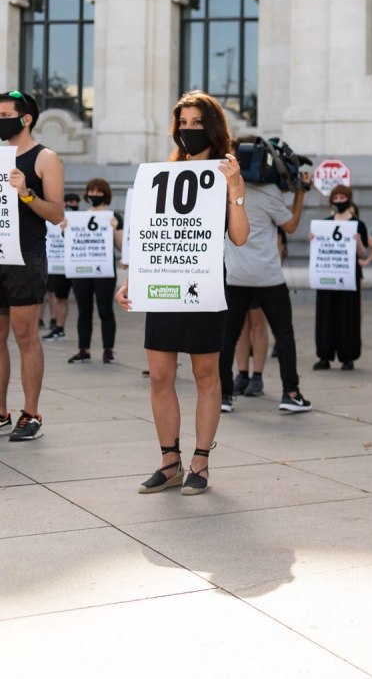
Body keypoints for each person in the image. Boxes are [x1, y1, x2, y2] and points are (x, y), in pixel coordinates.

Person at [116, 91, 249, 493]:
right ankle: (169, 461)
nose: (189, 130)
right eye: (183, 123)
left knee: (206, 374)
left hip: (204, 285)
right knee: (160, 375)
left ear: (213, 127)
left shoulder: (225, 171)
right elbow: (150, 234)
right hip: (164, 284)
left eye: (197, 123)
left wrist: (235, 187)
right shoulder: (165, 171)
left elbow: (240, 236)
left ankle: (201, 462)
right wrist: (133, 279)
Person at [217, 135, 312, 415]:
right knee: (284, 334)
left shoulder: (225, 189)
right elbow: (290, 226)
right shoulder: (269, 192)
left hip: (235, 276)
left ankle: (224, 396)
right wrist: (300, 194)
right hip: (268, 277)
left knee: (227, 337)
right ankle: (291, 394)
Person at [0, 90, 65, 441]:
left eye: (4, 115)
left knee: (25, 335)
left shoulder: (44, 158)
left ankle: (31, 413)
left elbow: (56, 213)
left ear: (25, 119)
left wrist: (26, 193)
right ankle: (1, 412)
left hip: (26, 256)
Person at [312, 184, 372, 371]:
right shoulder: (324, 224)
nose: (339, 201)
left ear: (349, 199)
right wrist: (313, 239)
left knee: (348, 315)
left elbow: (362, 253)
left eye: (342, 197)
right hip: (328, 273)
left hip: (348, 275)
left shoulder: (358, 225)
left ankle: (348, 356)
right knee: (326, 315)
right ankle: (324, 355)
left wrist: (358, 242)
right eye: (336, 198)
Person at [67, 179, 123, 364]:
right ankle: (84, 350)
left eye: (98, 192)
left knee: (105, 310)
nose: (94, 195)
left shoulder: (113, 216)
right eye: (91, 191)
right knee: (84, 311)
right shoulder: (79, 218)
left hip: (104, 270)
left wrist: (115, 229)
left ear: (105, 194)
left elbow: (121, 246)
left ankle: (108, 350)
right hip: (82, 269)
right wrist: (65, 229)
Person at [40, 191, 78, 342]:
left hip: (76, 264)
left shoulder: (80, 218)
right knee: (58, 296)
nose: (72, 205)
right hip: (58, 264)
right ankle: (58, 327)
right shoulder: (49, 221)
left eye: (75, 202)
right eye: (69, 202)